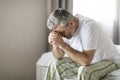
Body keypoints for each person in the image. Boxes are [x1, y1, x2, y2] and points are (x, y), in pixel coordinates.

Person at [45, 8, 120, 80]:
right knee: (54, 63)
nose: (60, 35)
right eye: (57, 32)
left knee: (85, 71)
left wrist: (63, 45)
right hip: (86, 61)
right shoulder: (66, 27)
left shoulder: (89, 26)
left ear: (71, 23)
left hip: (109, 60)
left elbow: (86, 61)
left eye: (61, 33)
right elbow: (59, 56)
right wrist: (55, 43)